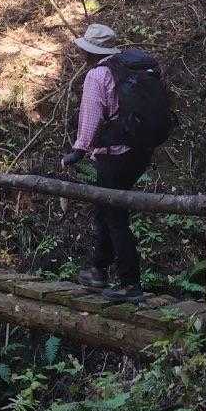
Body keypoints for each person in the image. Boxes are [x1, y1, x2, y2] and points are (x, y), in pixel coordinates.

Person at [61, 23, 169, 303]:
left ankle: (130, 283)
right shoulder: (130, 69)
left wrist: (78, 150)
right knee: (106, 210)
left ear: (91, 52)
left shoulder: (98, 75)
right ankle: (98, 269)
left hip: (114, 155)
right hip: (139, 153)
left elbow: (91, 117)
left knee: (115, 218)